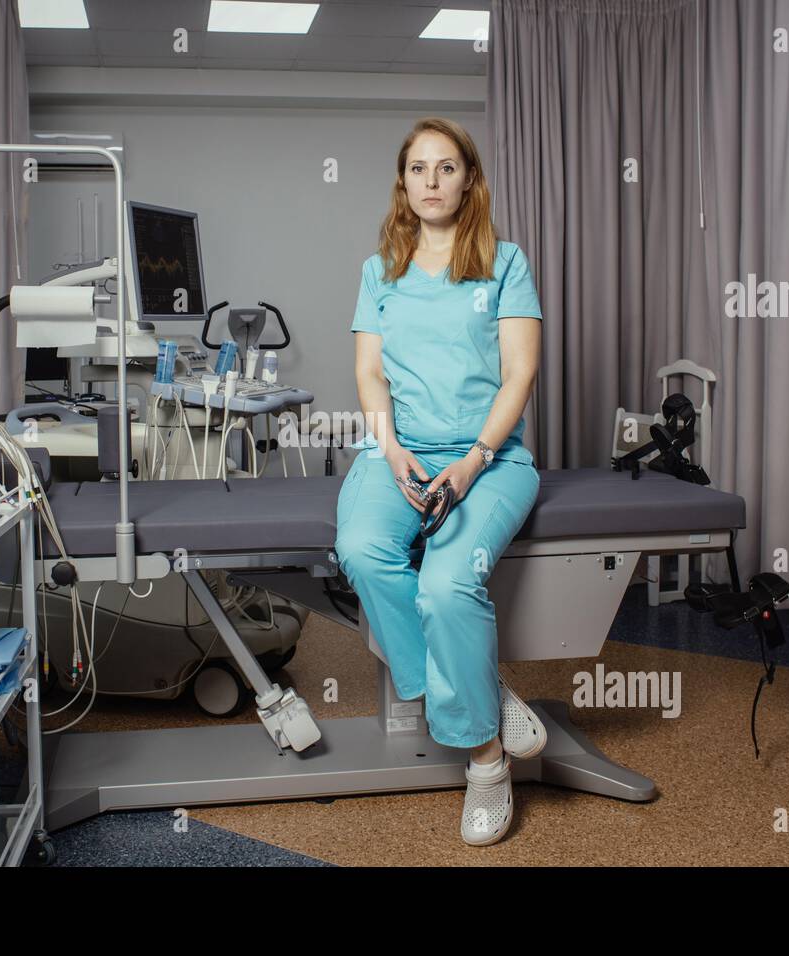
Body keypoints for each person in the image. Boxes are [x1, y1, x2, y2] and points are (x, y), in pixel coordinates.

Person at [334, 117, 546, 846]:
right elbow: (368, 372)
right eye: (418, 169)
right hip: (398, 454)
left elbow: (519, 371)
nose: (431, 181)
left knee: (447, 584)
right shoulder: (380, 270)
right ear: (404, 184)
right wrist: (389, 450)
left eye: (446, 167)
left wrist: (475, 459)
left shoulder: (505, 262)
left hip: (489, 461)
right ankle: (479, 701)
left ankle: (485, 766)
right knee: (362, 551)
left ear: (469, 179)